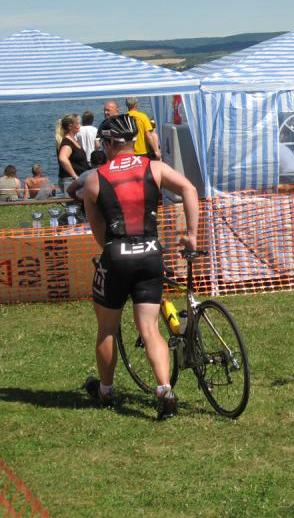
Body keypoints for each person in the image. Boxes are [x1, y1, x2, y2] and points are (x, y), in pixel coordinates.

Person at [81, 114, 199, 420]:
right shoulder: (154, 167)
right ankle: (164, 389)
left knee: (107, 328)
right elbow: (189, 189)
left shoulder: (94, 179)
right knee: (150, 328)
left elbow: (99, 234)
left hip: (117, 255)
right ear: (134, 141)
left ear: (109, 144)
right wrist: (191, 234)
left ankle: (105, 391)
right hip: (150, 254)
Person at [56, 113, 88, 192]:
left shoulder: (74, 140)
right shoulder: (67, 142)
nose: (80, 126)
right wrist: (75, 176)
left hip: (79, 179)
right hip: (70, 181)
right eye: (78, 124)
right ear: (70, 126)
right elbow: (63, 158)